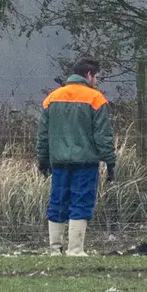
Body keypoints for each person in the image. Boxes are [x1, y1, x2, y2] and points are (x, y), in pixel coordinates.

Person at [37, 56, 116, 257]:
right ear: (88, 75)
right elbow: (103, 136)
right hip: (85, 162)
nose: (96, 81)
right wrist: (110, 161)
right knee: (80, 202)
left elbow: (43, 135)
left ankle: (55, 249)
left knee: (57, 201)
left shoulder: (52, 98)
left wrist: (43, 159)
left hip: (59, 162)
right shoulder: (96, 99)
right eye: (96, 77)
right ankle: (75, 250)